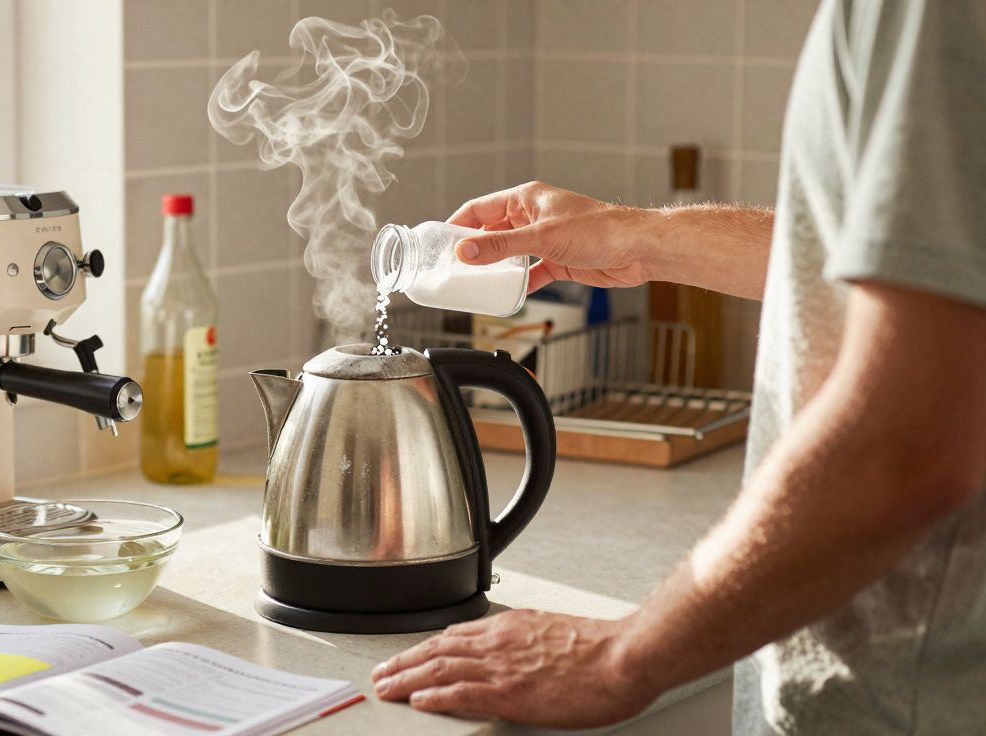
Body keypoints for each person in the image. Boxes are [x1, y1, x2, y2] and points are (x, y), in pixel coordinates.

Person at [371, 1, 986, 733]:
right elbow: (886, 256)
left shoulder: (922, 15)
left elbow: (906, 439)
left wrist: (623, 655)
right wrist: (642, 239)